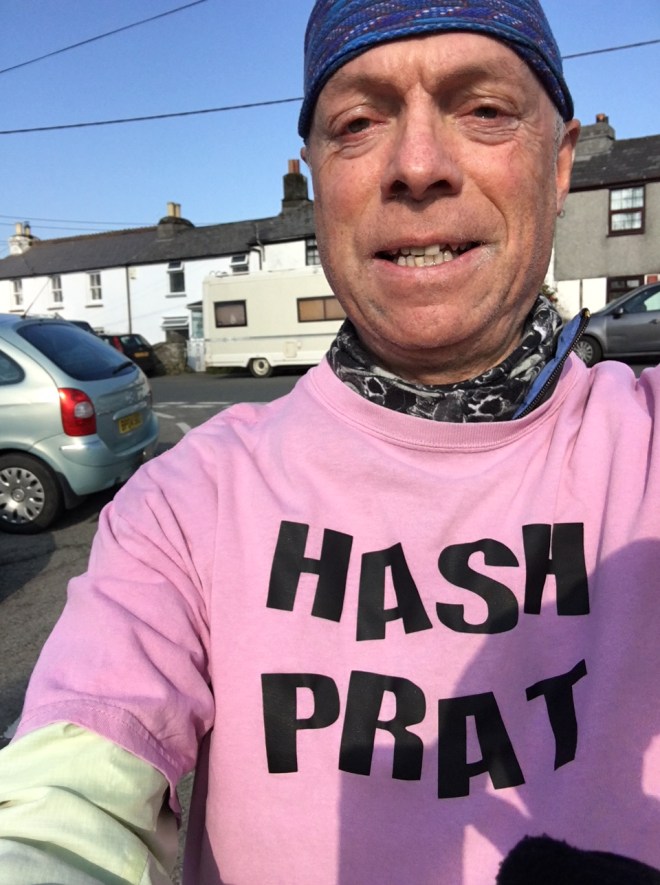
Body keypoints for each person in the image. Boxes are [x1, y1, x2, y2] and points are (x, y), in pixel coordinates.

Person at [1, 1, 660, 883]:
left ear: (561, 163)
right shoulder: (186, 505)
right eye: (358, 123)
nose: (417, 165)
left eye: (483, 109)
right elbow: (65, 803)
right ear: (316, 182)